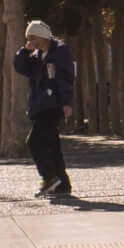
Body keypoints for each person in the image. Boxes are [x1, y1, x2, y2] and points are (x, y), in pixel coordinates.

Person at [12, 20, 77, 202]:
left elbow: (65, 77)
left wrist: (66, 102)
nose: (31, 41)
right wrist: (24, 51)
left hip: (53, 104)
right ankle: (63, 185)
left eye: (32, 37)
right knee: (51, 146)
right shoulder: (36, 55)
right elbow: (20, 67)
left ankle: (49, 178)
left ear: (41, 35)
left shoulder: (59, 50)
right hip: (40, 105)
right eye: (28, 38)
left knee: (34, 141)